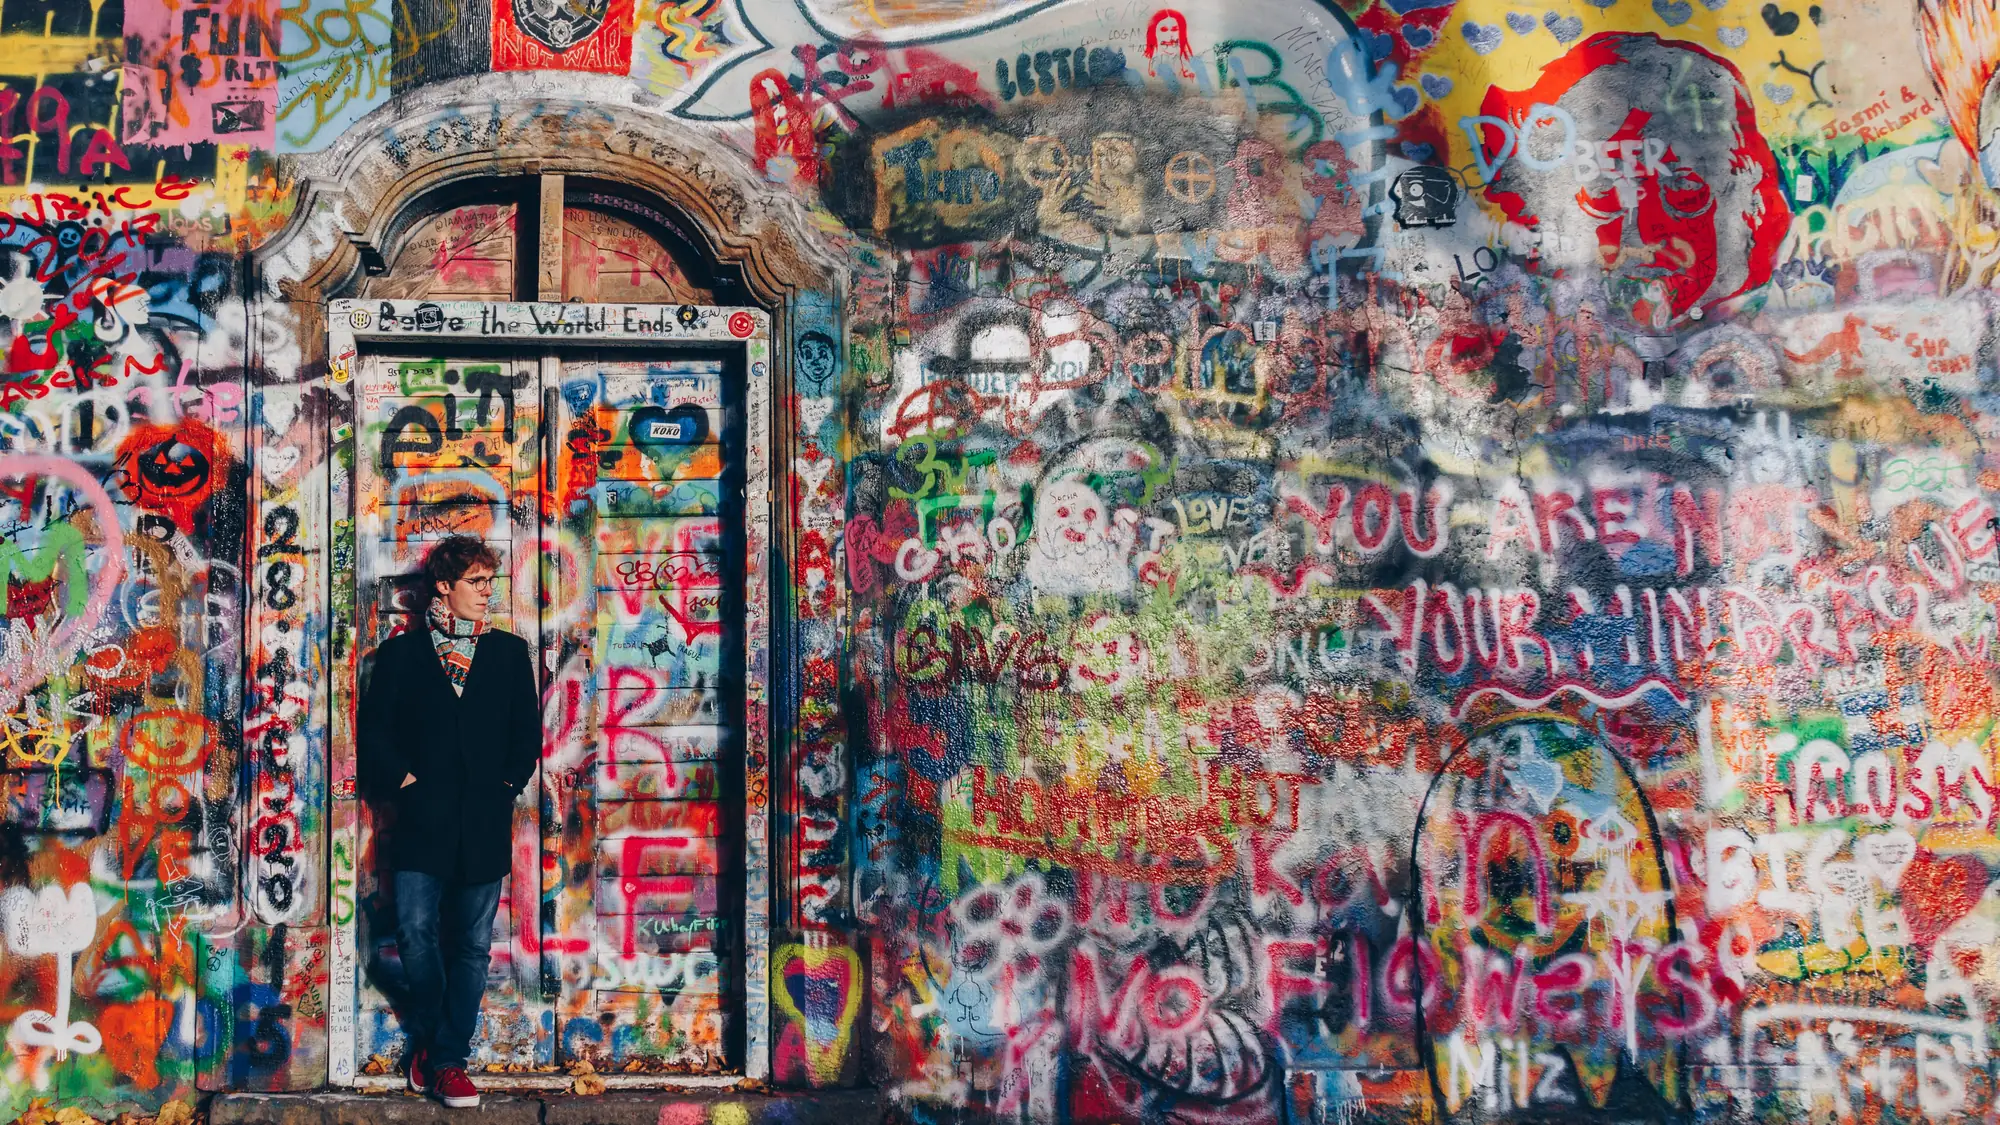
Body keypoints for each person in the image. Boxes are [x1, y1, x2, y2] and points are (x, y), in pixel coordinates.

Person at [358, 536, 542, 1108]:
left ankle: (446, 1061)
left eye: (492, 583)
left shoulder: (510, 654)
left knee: (471, 946)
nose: (488, 593)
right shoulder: (401, 656)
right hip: (421, 822)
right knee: (414, 931)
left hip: (484, 822)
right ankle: (441, 1050)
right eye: (477, 583)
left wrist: (504, 789)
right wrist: (406, 783)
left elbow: (526, 738)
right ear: (444, 586)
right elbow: (376, 734)